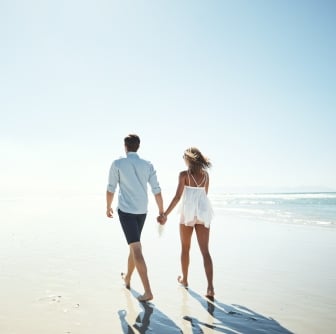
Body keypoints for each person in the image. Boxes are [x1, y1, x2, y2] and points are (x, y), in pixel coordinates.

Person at [106, 134, 165, 302]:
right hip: (142, 211)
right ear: (138, 146)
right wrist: (161, 212)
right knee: (134, 245)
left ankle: (148, 291)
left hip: (126, 211)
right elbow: (157, 189)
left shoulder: (118, 163)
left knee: (136, 248)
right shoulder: (147, 164)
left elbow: (111, 188)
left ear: (125, 146)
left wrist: (107, 206)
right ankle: (128, 278)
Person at [158, 147, 214, 298]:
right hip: (203, 211)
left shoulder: (184, 175)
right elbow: (204, 194)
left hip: (187, 212)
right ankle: (210, 288)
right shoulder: (206, 176)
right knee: (205, 251)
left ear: (188, 159)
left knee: (185, 248)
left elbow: (177, 197)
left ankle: (185, 280)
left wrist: (165, 214)